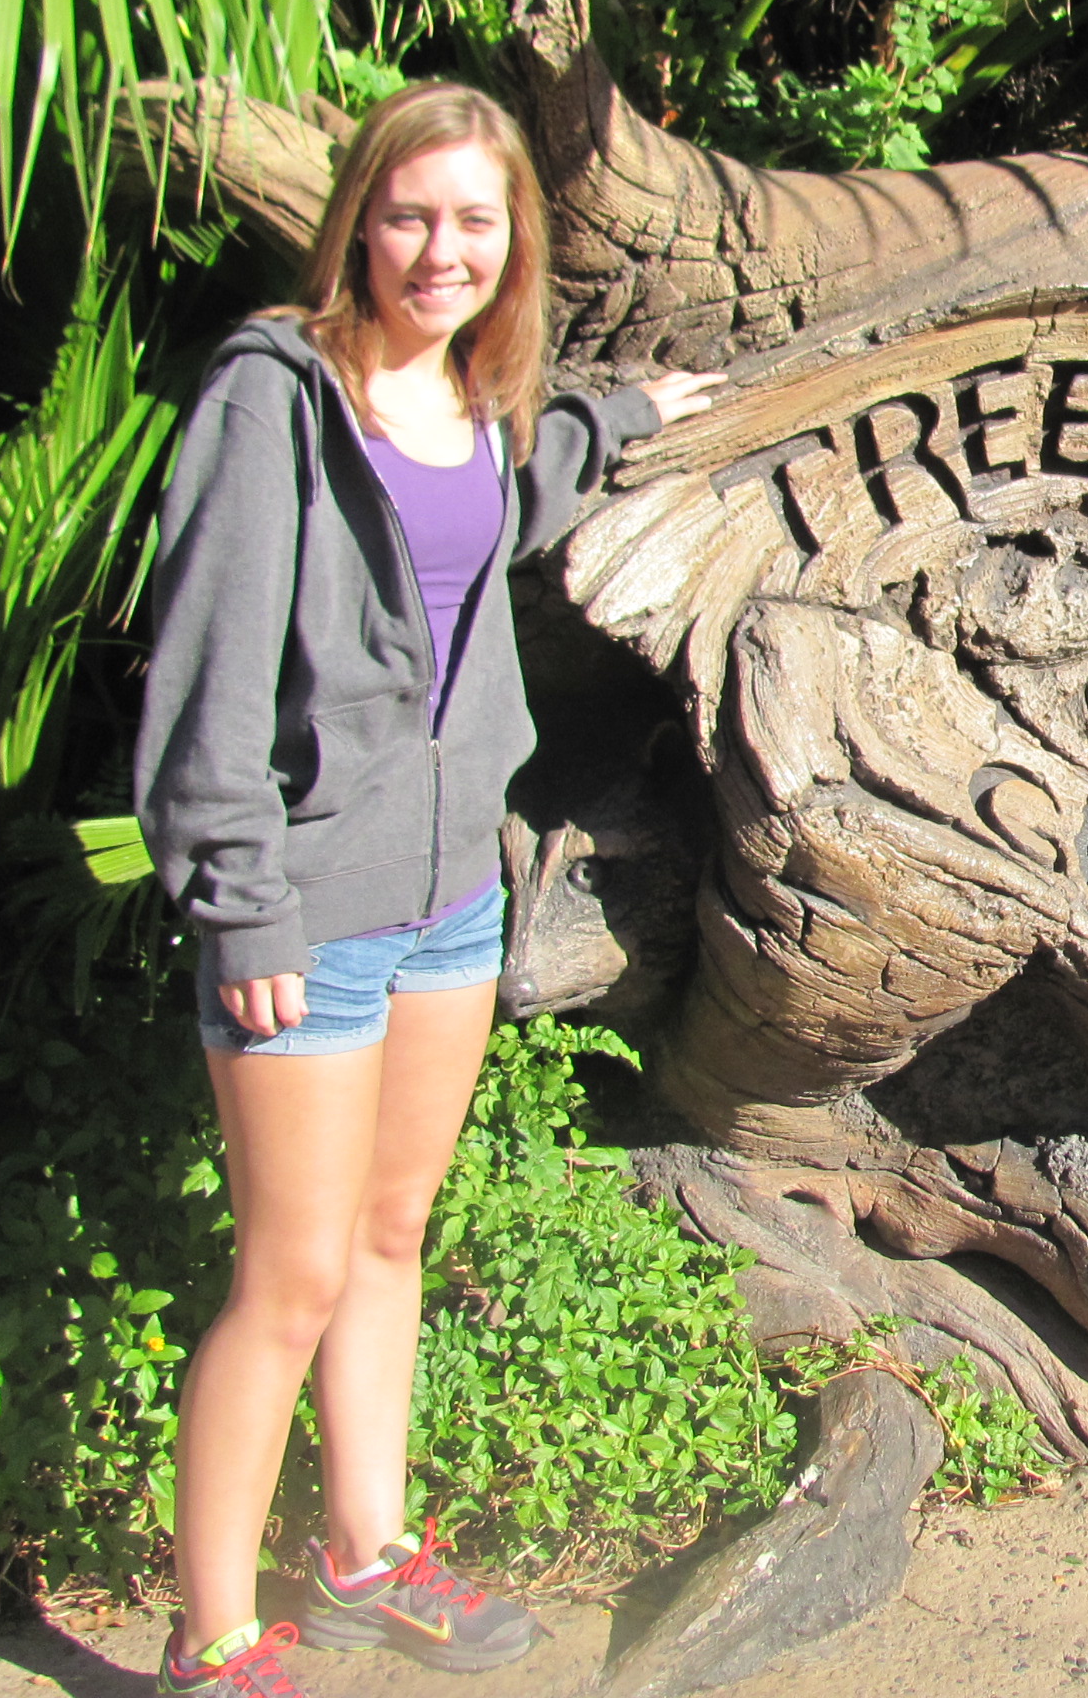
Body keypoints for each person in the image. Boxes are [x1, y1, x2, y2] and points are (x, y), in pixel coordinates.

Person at [132, 82, 724, 1698]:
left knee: (391, 1232)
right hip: (307, 907)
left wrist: (625, 417)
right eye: (410, 216)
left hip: (455, 895)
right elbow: (207, 668)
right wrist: (239, 903)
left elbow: (505, 509)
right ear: (359, 225)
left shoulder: (476, 401)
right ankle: (211, 1641)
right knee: (290, 1277)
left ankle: (365, 1555)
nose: (440, 250)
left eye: (475, 221)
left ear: (513, 240)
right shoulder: (276, 398)